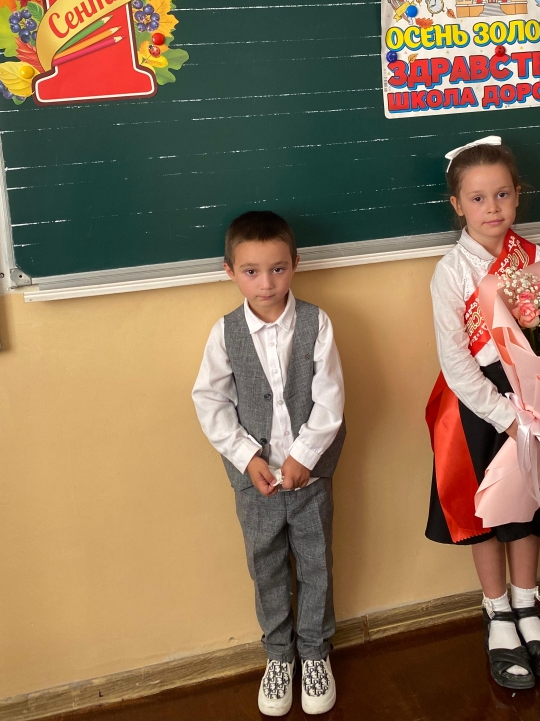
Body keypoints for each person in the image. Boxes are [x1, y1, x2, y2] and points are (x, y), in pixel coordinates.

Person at [425, 136, 540, 690]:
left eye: (502, 194)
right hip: (480, 407)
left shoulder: (534, 256)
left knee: (530, 502)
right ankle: (497, 612)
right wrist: (506, 416)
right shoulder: (450, 272)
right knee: (487, 513)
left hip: (534, 397)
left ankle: (526, 603)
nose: (492, 208)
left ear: (518, 195)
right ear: (457, 205)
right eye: (478, 198)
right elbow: (455, 362)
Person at [193, 211, 345, 716]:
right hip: (254, 482)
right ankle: (279, 655)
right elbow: (210, 401)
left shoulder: (317, 323)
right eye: (251, 271)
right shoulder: (226, 333)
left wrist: (303, 456)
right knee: (267, 568)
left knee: (316, 564)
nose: (266, 283)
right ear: (230, 271)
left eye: (278, 269)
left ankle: (315, 652)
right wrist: (246, 457)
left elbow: (330, 400)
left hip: (311, 477)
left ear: (295, 264)